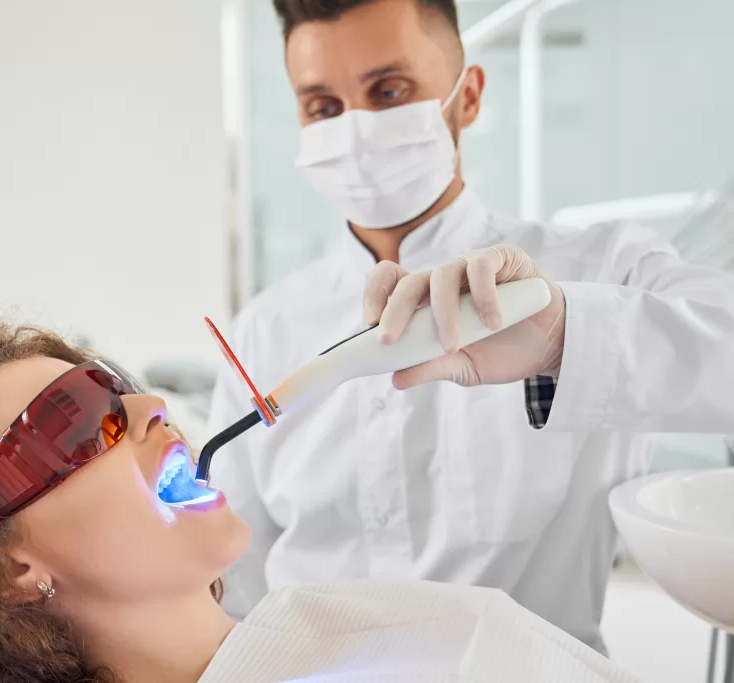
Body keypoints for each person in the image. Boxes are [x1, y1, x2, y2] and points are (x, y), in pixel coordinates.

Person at [206, 0, 734, 653]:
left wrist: (564, 334)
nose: (355, 131)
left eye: (389, 90)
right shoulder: (262, 333)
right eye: (323, 107)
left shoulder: (602, 266)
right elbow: (236, 595)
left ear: (470, 96)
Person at [0, 324, 640, 683]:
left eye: (121, 388)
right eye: (76, 422)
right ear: (0, 563)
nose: (148, 412)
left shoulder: (359, 629)